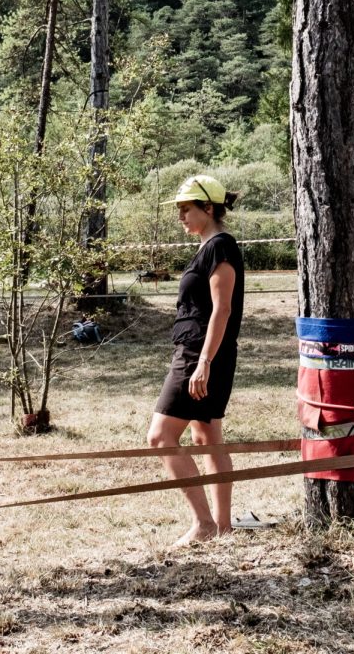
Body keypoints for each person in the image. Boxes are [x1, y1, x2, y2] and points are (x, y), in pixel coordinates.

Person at [146, 174, 243, 546]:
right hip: (201, 354)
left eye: (186, 209)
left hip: (200, 356)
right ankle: (222, 527)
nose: (180, 217)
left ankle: (203, 524)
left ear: (208, 208)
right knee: (206, 437)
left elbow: (222, 310)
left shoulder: (220, 247)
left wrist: (203, 362)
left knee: (160, 437)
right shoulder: (210, 246)